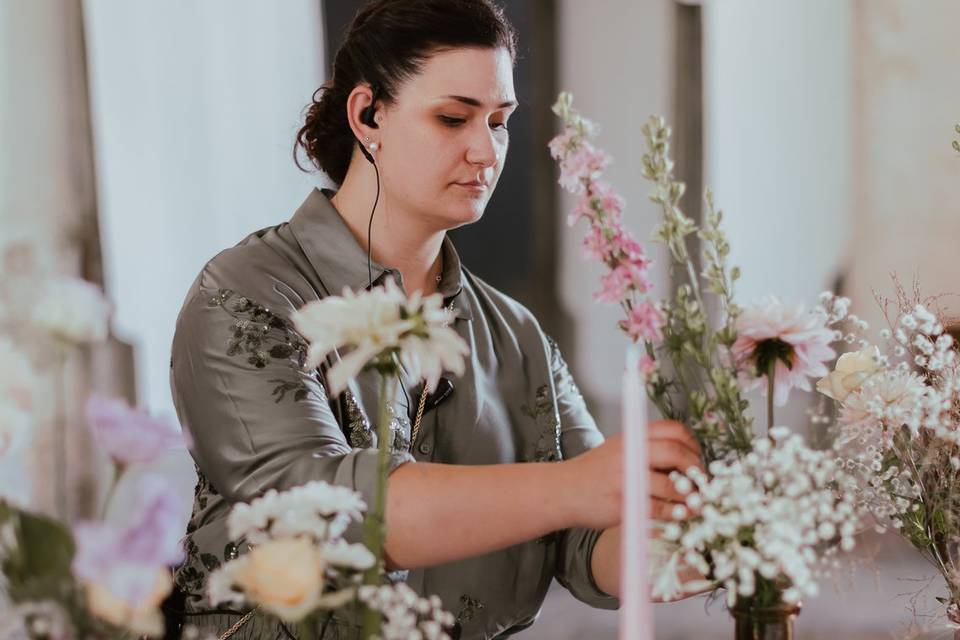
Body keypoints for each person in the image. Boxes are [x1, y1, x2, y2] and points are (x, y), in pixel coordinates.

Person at [168, 1, 703, 638]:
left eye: (500, 122)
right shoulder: (246, 292)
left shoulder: (517, 334)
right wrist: (577, 487)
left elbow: (590, 547)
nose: (486, 151)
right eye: (453, 118)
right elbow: (323, 507)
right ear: (368, 114)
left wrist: (705, 531)